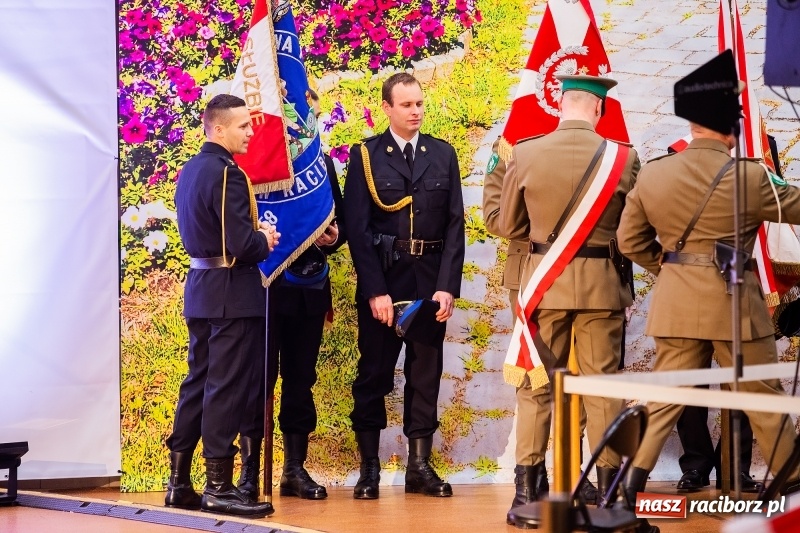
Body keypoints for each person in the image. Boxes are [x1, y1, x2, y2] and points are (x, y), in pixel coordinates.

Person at [617, 116, 800, 515]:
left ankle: (629, 490)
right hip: (734, 303)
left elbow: (629, 239)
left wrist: (675, 269)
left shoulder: (654, 173)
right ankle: (792, 481)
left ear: (693, 125)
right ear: (732, 130)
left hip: (677, 302)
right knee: (762, 396)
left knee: (668, 396)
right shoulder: (752, 176)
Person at [498, 74, 640, 517]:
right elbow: (634, 230)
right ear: (598, 109)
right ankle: (609, 492)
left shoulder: (524, 151)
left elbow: (508, 226)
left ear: (561, 104)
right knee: (602, 391)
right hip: (602, 288)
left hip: (543, 284)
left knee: (535, 385)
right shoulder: (625, 157)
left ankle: (527, 494)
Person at [343, 72, 465, 499]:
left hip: (429, 283)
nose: (416, 112)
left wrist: (448, 285)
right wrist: (375, 291)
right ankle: (369, 469)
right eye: (407, 105)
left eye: (419, 104)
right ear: (388, 108)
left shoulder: (442, 154)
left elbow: (454, 225)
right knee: (374, 373)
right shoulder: (366, 156)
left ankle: (419, 466)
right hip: (386, 283)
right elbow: (356, 231)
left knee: (425, 374)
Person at [164, 94, 279, 518]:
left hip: (202, 287)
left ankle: (179, 482)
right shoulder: (228, 172)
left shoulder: (192, 170)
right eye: (243, 126)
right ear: (218, 129)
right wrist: (263, 239)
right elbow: (240, 245)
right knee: (225, 387)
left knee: (198, 381)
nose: (251, 132)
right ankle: (218, 486)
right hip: (231, 290)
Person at [482, 136, 602, 516]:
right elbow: (495, 219)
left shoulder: (596, 143)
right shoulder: (514, 141)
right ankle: (529, 486)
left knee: (584, 381)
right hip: (534, 276)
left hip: (591, 280)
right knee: (537, 379)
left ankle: (572, 475)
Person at [235, 89, 346, 502]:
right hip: (264, 288)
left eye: (309, 112)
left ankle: (294, 470)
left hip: (309, 290)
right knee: (257, 381)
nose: (306, 119)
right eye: (299, 112)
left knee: (301, 380)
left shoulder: (319, 165)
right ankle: (248, 473)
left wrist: (332, 236)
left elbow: (339, 224)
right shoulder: (250, 165)